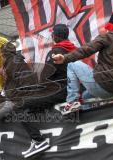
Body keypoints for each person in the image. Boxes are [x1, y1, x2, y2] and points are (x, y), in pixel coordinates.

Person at [52, 0, 113, 113]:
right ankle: (86, 114)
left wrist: (64, 58)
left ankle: (71, 103)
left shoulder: (108, 37)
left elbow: (86, 50)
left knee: (72, 65)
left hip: (102, 85)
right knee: (85, 97)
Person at [21, 24, 77, 158]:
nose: (51, 36)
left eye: (52, 34)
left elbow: (46, 77)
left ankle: (39, 141)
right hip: (71, 91)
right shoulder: (73, 50)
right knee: (32, 106)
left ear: (55, 36)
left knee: (20, 104)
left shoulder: (55, 51)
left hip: (60, 92)